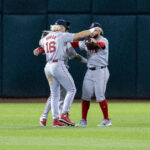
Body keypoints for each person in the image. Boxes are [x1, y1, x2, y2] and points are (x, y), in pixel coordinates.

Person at [34, 19, 101, 127]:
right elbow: (79, 35)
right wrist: (93, 29)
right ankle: (64, 114)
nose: (66, 29)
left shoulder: (47, 37)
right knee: (72, 89)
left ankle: (55, 120)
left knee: (54, 95)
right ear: (61, 27)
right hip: (58, 65)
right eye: (65, 27)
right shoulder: (62, 35)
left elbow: (41, 43)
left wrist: (40, 49)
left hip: (48, 67)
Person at [71, 22, 112, 127]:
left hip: (101, 71)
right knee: (85, 95)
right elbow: (75, 44)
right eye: (91, 30)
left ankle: (107, 120)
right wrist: (66, 42)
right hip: (89, 71)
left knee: (100, 96)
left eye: (95, 30)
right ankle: (83, 121)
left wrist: (95, 43)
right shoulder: (87, 41)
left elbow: (101, 46)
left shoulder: (104, 40)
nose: (92, 32)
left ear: (99, 31)